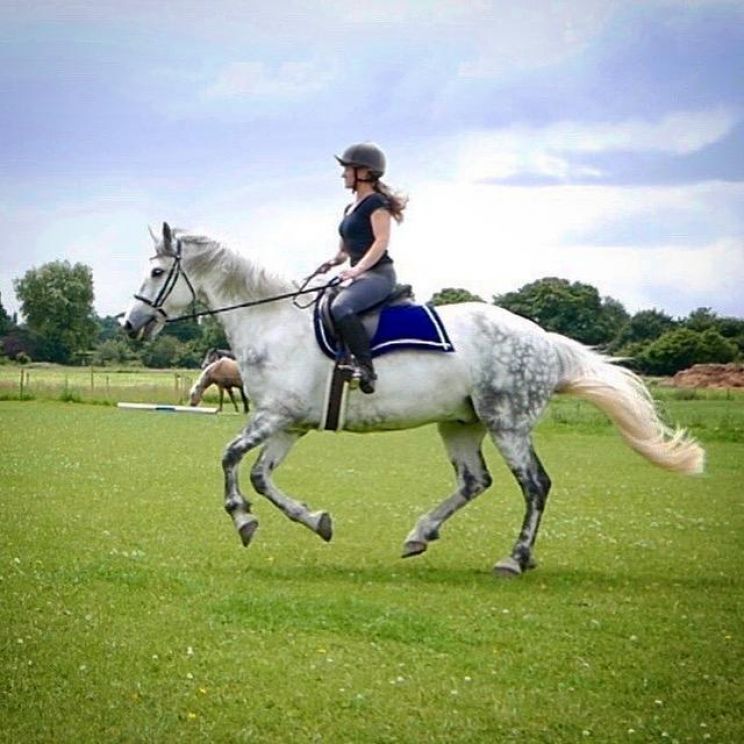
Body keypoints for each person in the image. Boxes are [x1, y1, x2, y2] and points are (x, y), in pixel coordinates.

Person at [315, 142, 408, 394]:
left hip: (378, 275)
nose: (343, 174)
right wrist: (333, 261)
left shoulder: (376, 203)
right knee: (321, 301)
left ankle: (366, 368)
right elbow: (345, 251)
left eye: (348, 169)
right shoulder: (350, 209)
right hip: (360, 274)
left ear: (364, 173)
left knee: (342, 307)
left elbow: (381, 242)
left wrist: (357, 270)